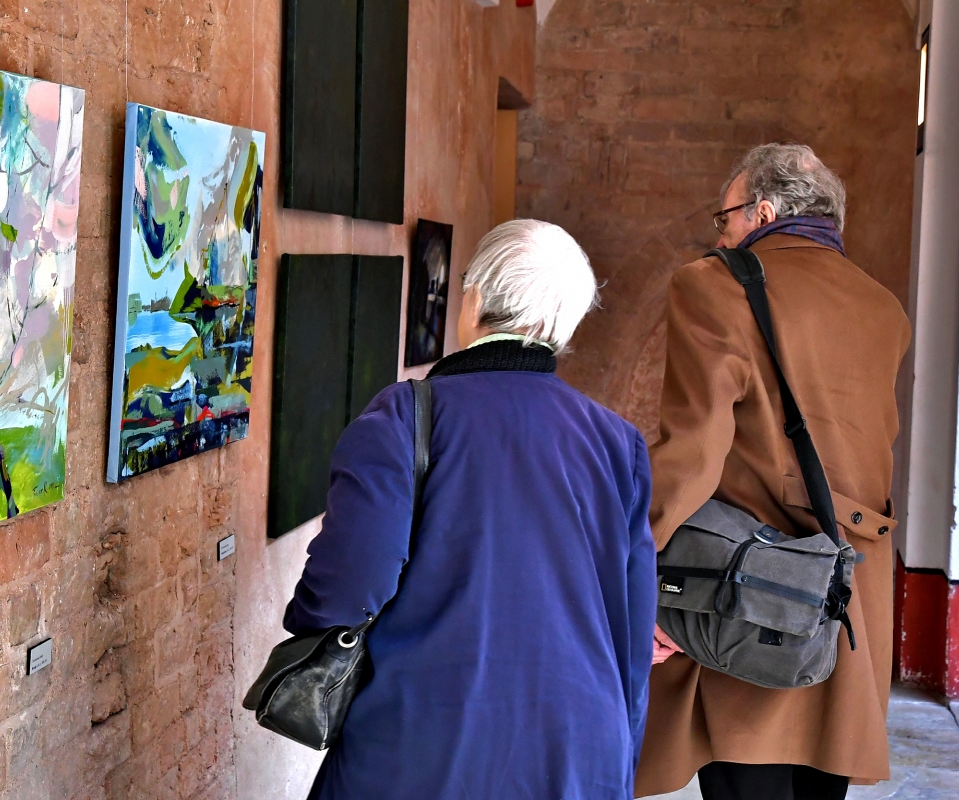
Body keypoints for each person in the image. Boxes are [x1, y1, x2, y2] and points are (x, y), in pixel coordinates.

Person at [283, 219, 658, 800]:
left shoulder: (406, 417)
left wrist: (308, 623)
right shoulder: (618, 443)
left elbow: (346, 588)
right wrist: (617, 761)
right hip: (580, 750)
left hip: (425, 743)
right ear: (564, 325)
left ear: (474, 298)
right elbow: (631, 635)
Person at [635, 144, 911, 800]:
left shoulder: (713, 285)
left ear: (762, 213)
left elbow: (693, 452)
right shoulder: (884, 309)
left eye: (725, 217)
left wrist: (635, 567)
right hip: (850, 597)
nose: (721, 235)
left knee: (745, 776)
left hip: (755, 593)